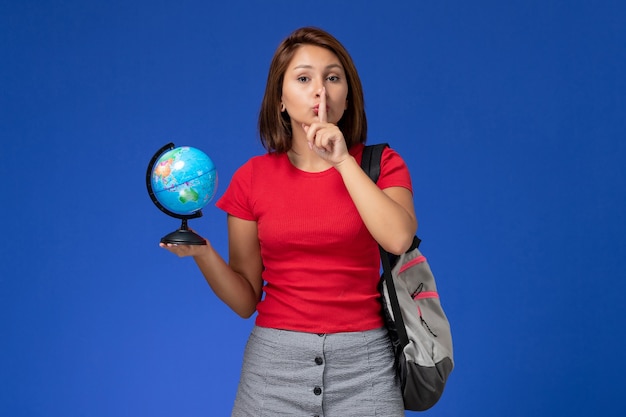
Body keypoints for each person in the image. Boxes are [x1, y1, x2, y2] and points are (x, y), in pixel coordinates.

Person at [161, 26, 417, 417]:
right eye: (303, 78)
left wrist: (343, 162)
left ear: (347, 98)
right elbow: (247, 299)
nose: (320, 90)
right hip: (273, 370)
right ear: (280, 100)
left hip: (365, 367)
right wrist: (203, 254)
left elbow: (398, 238)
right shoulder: (251, 178)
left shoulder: (382, 165)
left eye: (333, 78)